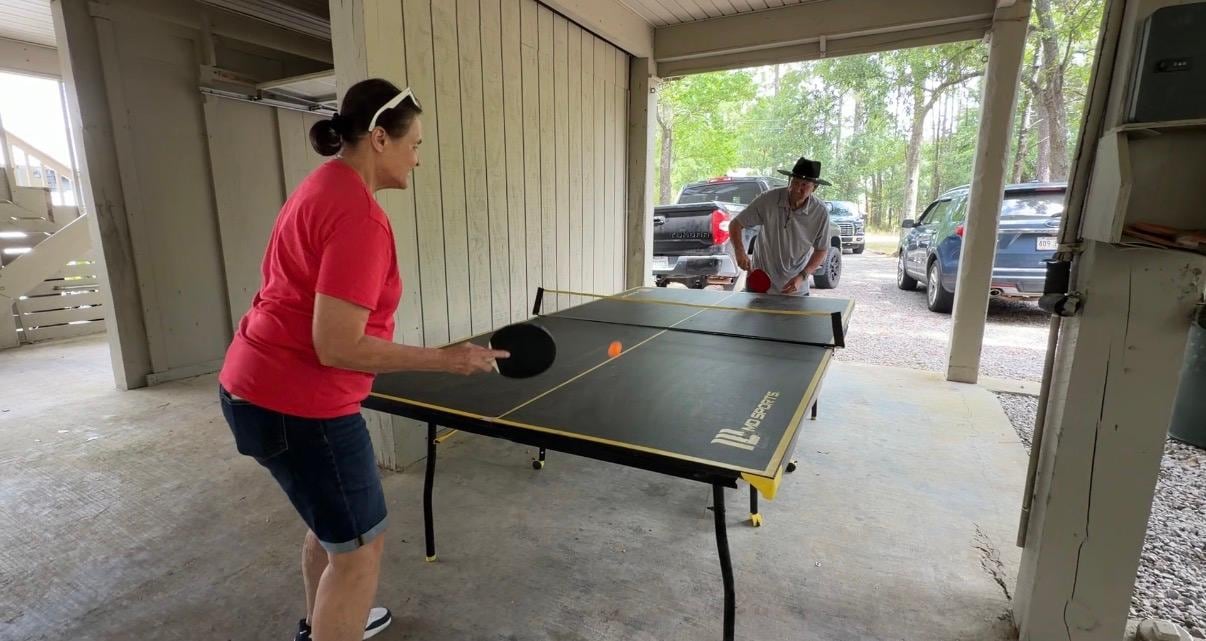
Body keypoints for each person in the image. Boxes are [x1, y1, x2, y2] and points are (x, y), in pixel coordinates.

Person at [217, 78, 506, 641]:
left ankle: (323, 625)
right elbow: (338, 345)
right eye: (415, 144)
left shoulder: (320, 186)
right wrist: (447, 360)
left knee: (335, 532)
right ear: (378, 138)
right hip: (301, 408)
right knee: (360, 551)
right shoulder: (359, 218)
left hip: (250, 388)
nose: (418, 158)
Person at [729, 157, 834, 296]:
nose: (797, 188)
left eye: (804, 185)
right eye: (795, 182)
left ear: (814, 187)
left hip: (796, 290)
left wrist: (802, 276)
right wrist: (739, 251)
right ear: (789, 181)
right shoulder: (768, 199)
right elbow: (735, 224)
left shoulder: (820, 212)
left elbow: (821, 250)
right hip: (760, 288)